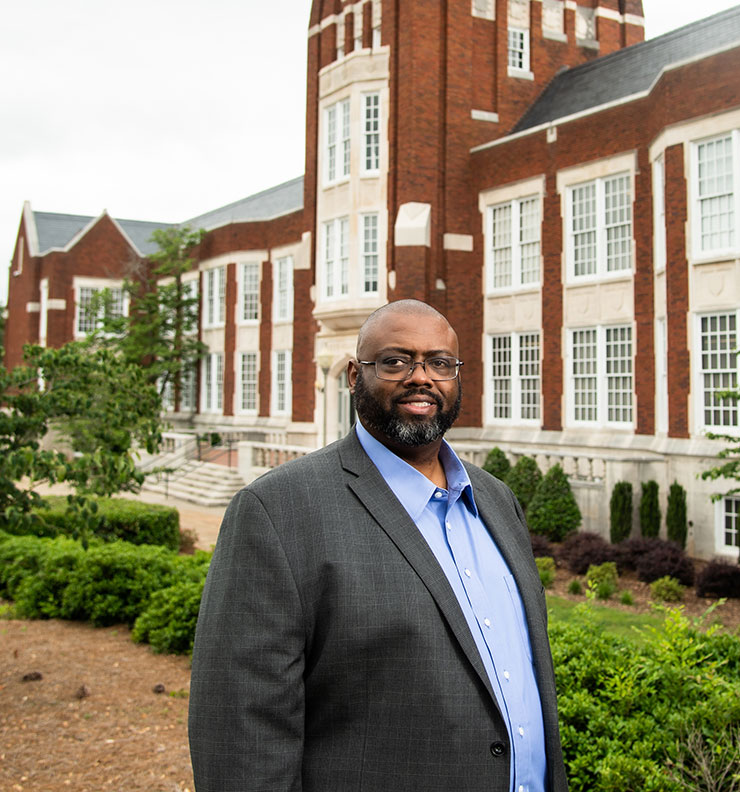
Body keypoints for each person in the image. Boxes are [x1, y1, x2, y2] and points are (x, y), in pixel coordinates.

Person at [189, 299, 568, 792]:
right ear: (353, 375)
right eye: (395, 361)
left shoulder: (497, 501)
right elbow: (241, 733)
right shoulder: (277, 512)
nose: (421, 377)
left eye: (440, 363)